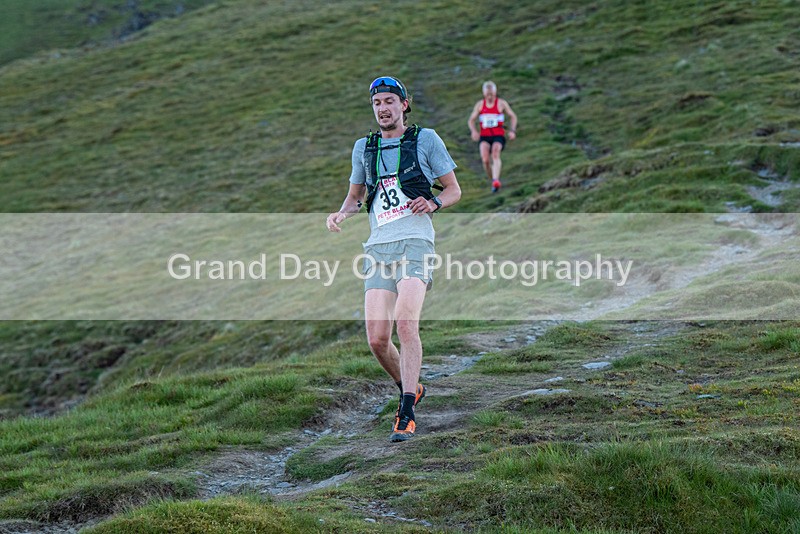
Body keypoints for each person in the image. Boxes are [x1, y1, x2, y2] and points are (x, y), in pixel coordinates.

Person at [326, 76, 461, 442]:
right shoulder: (364, 148)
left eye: (389, 101)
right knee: (376, 339)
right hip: (377, 249)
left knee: (405, 324)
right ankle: (410, 385)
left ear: (404, 104)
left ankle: (405, 411)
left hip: (415, 243)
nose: (383, 108)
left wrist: (433, 202)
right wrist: (340, 214)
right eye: (377, 103)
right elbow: (356, 197)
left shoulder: (425, 140)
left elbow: (453, 190)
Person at [467, 80, 518, 193]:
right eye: (487, 95)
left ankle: (496, 180)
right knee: (485, 159)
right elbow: (471, 120)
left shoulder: (501, 103)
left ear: (495, 93)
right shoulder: (480, 105)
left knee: (495, 153)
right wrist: (474, 131)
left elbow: (513, 116)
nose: (490, 97)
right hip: (484, 136)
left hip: (498, 135)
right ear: (484, 94)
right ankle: (493, 180)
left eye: (492, 94)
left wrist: (512, 130)